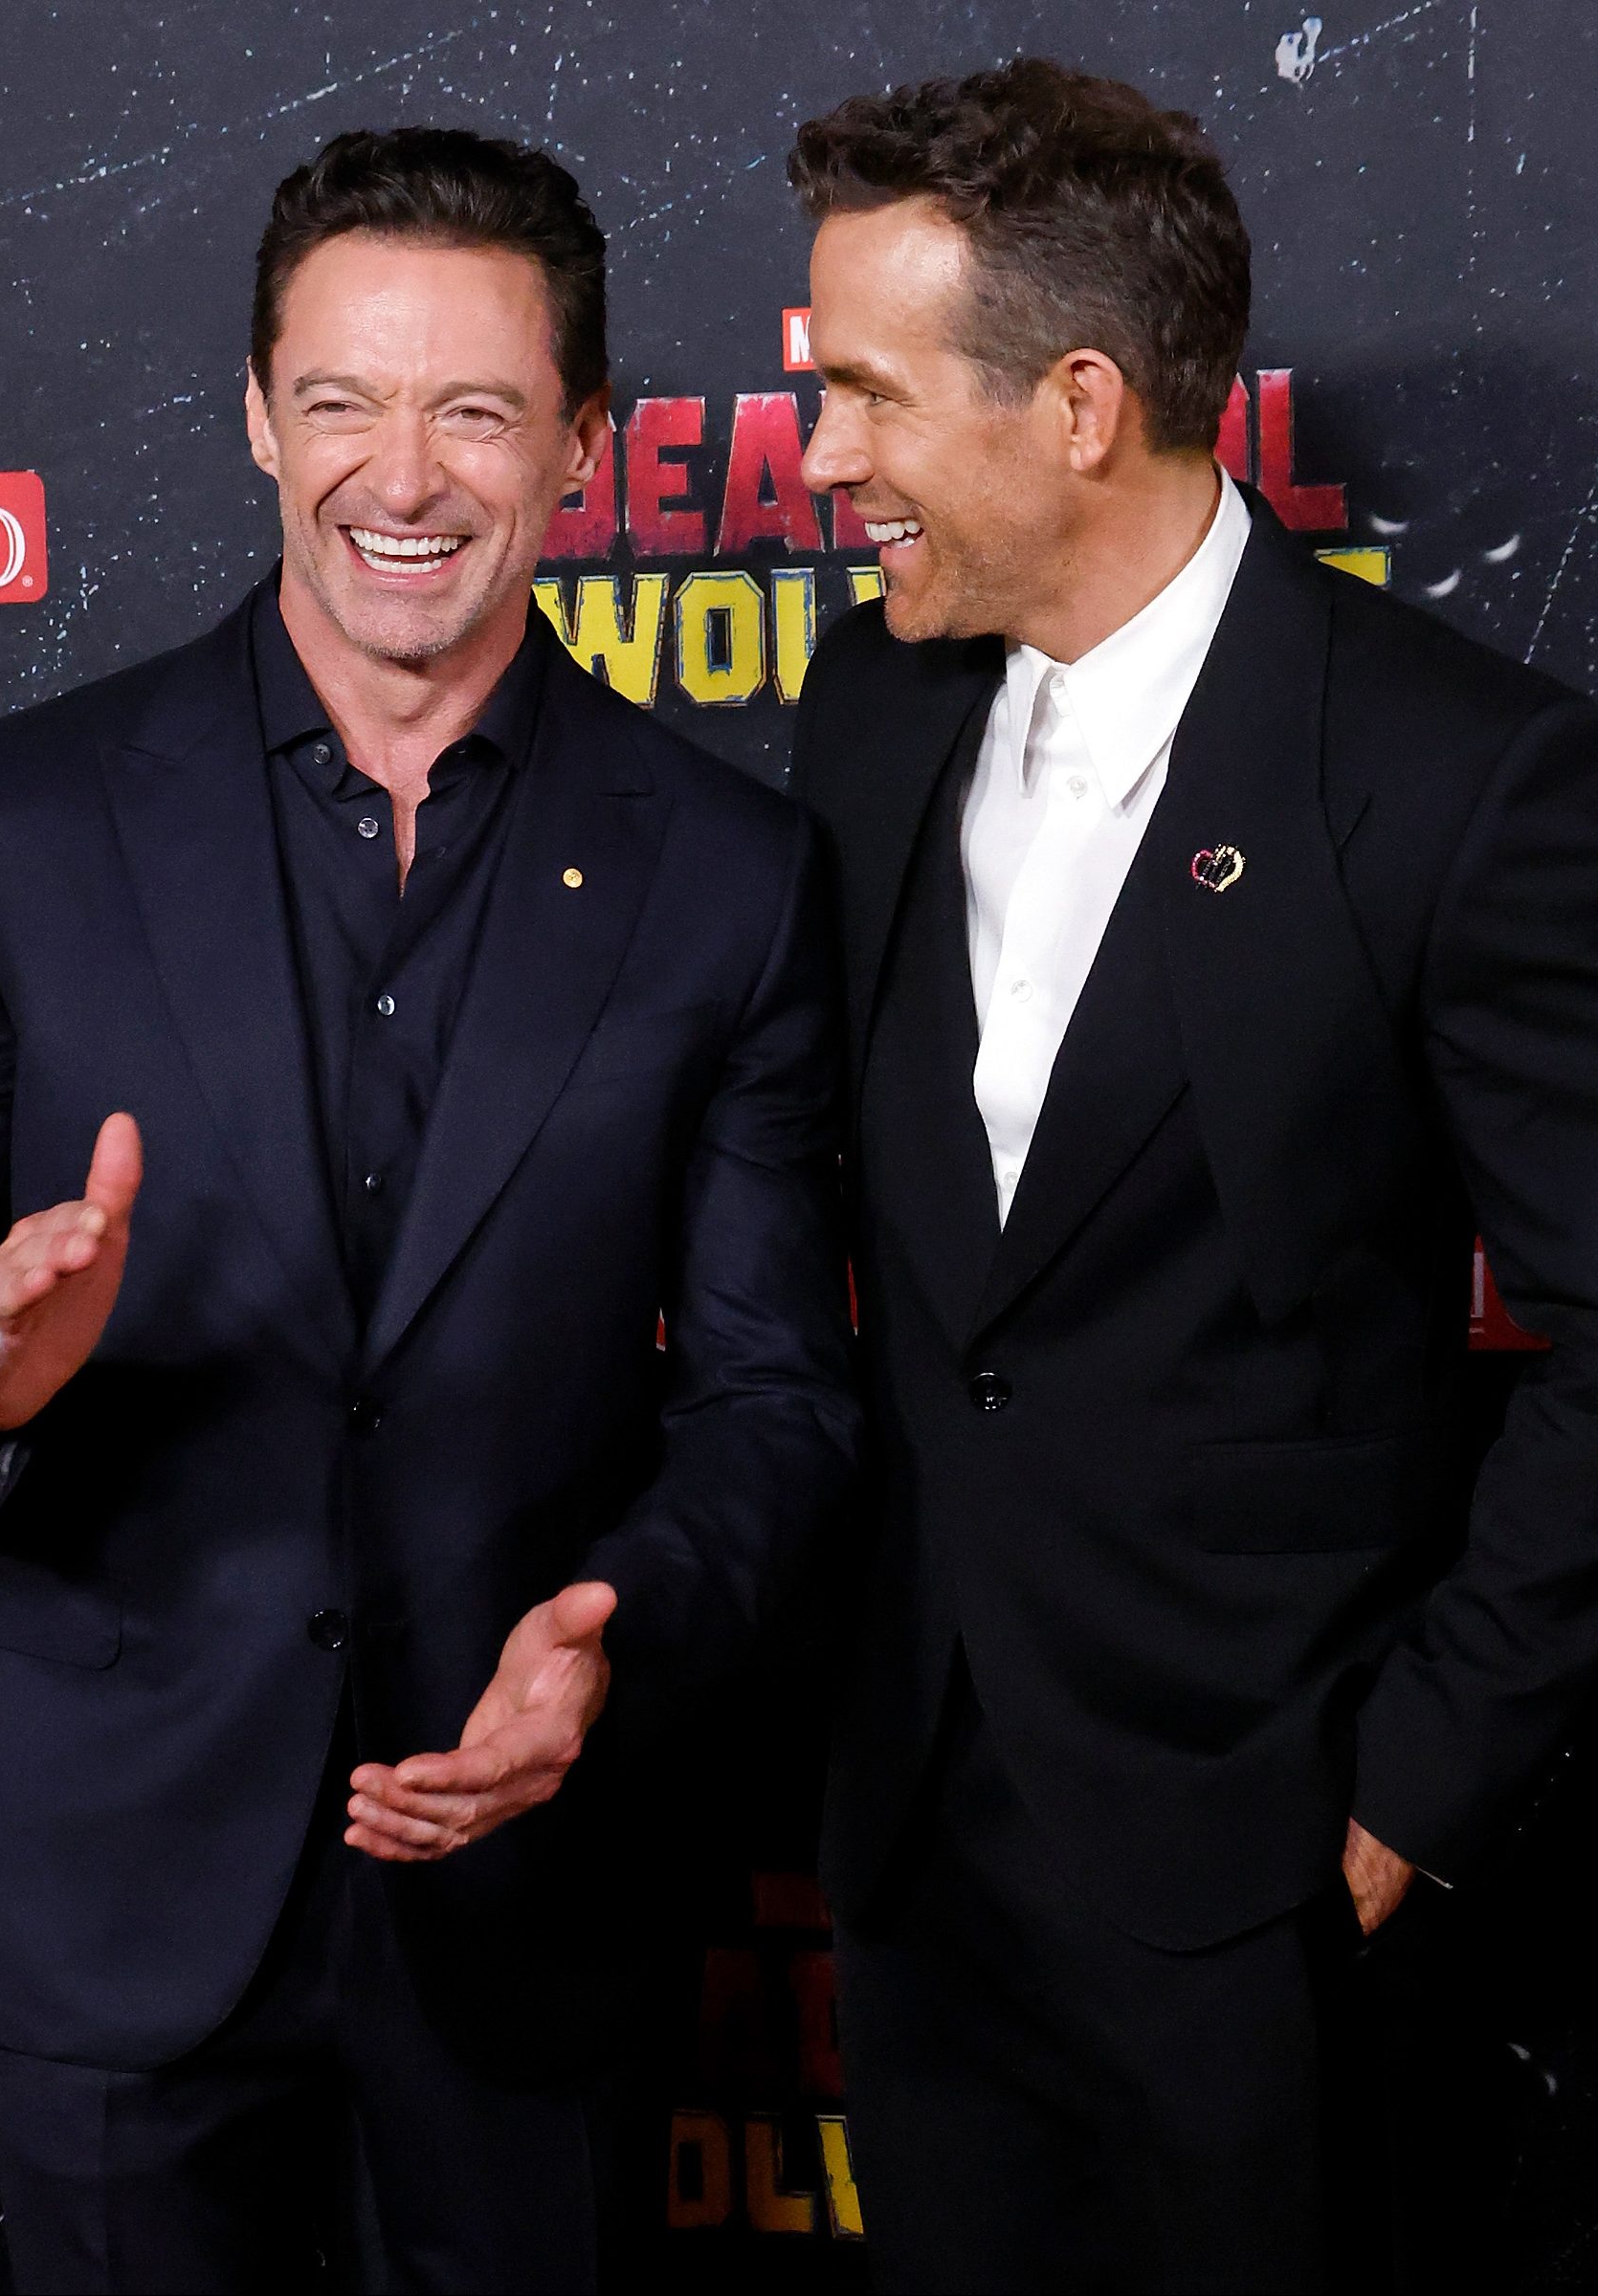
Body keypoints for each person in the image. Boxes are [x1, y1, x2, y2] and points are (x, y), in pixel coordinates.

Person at [0, 124, 856, 2295]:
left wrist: (610, 1635)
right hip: (119, 1903)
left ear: (583, 444)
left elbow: (780, 1399)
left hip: (528, 1923)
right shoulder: (21, 819)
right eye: (339, 401)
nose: (397, 477)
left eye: (475, 409)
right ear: (251, 411)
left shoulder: (729, 872)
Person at [787, 56, 1598, 2295]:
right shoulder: (866, 709)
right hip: (924, 1857)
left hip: (1276, 1892)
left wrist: (1411, 1796)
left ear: (1076, 403)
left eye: (863, 394)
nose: (822, 457)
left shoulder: (1457, 779)